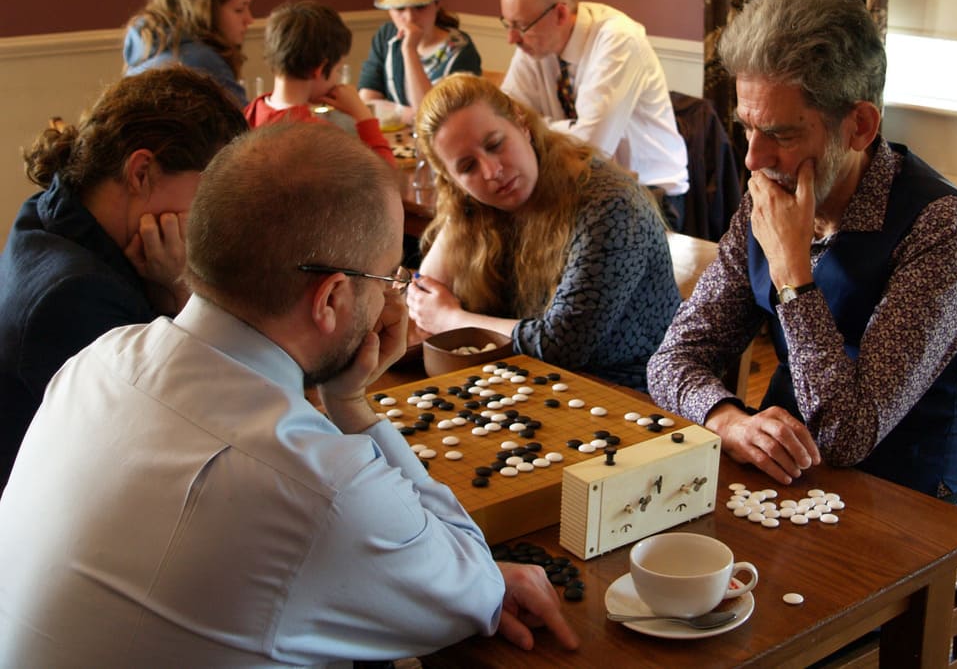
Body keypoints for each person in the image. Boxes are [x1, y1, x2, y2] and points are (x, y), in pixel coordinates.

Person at [0, 121, 579, 664]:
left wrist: (341, 399)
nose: (391, 301)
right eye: (386, 281)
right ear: (330, 300)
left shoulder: (100, 357)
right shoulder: (321, 488)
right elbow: (475, 584)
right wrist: (355, 409)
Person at [647, 0, 957, 505]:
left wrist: (793, 274)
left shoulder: (946, 234)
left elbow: (848, 436)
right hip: (783, 484)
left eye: (779, 133)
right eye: (746, 127)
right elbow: (671, 359)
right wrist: (728, 421)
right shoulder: (769, 198)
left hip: (909, 515)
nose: (752, 159)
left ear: (860, 126)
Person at [0, 66, 248, 488]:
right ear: (140, 173)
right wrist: (183, 290)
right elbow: (202, 427)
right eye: (211, 196)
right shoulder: (76, 296)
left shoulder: (50, 213)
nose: (217, 220)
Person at [407, 74, 679, 391]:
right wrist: (459, 207)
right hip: (531, 385)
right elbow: (425, 299)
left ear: (522, 125)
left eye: (495, 144)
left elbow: (561, 346)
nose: (492, 171)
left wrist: (450, 319)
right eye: (467, 167)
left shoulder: (611, 206)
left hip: (631, 395)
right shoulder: (481, 206)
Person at [499, 0, 689, 232]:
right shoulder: (534, 44)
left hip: (650, 196)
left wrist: (536, 127)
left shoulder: (618, 39)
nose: (511, 38)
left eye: (520, 25)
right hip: (579, 189)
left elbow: (591, 148)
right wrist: (565, 129)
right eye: (507, 24)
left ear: (561, 14)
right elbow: (507, 122)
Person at [245, 0, 396, 166]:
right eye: (337, 70)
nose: (337, 78)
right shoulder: (320, 138)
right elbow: (389, 182)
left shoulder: (249, 113)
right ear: (320, 68)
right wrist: (363, 115)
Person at [358, 0, 482, 126]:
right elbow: (367, 104)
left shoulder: (461, 51)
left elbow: (432, 119)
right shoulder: (386, 36)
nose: (410, 18)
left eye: (420, 7)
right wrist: (410, 114)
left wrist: (409, 51)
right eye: (400, 8)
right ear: (389, 11)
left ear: (437, 4)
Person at [124, 0, 253, 106]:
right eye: (239, 9)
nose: (249, 19)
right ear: (205, 9)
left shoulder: (145, 49)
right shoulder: (202, 63)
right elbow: (244, 127)